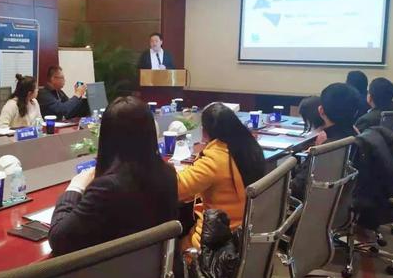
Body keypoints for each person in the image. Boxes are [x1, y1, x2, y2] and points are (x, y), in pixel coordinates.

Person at [49, 96, 178, 255]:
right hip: (153, 268)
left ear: (106, 137)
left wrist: (75, 187)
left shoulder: (107, 188)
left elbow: (58, 238)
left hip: (114, 270)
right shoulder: (168, 174)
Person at [177, 103, 266, 249]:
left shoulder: (215, 159)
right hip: (245, 233)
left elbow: (178, 188)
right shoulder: (250, 148)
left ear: (205, 132)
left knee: (171, 246)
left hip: (215, 243)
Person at [291, 83, 360, 200]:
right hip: (342, 204)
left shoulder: (326, 150)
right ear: (356, 111)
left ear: (321, 111)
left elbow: (296, 188)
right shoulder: (356, 136)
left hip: (310, 206)